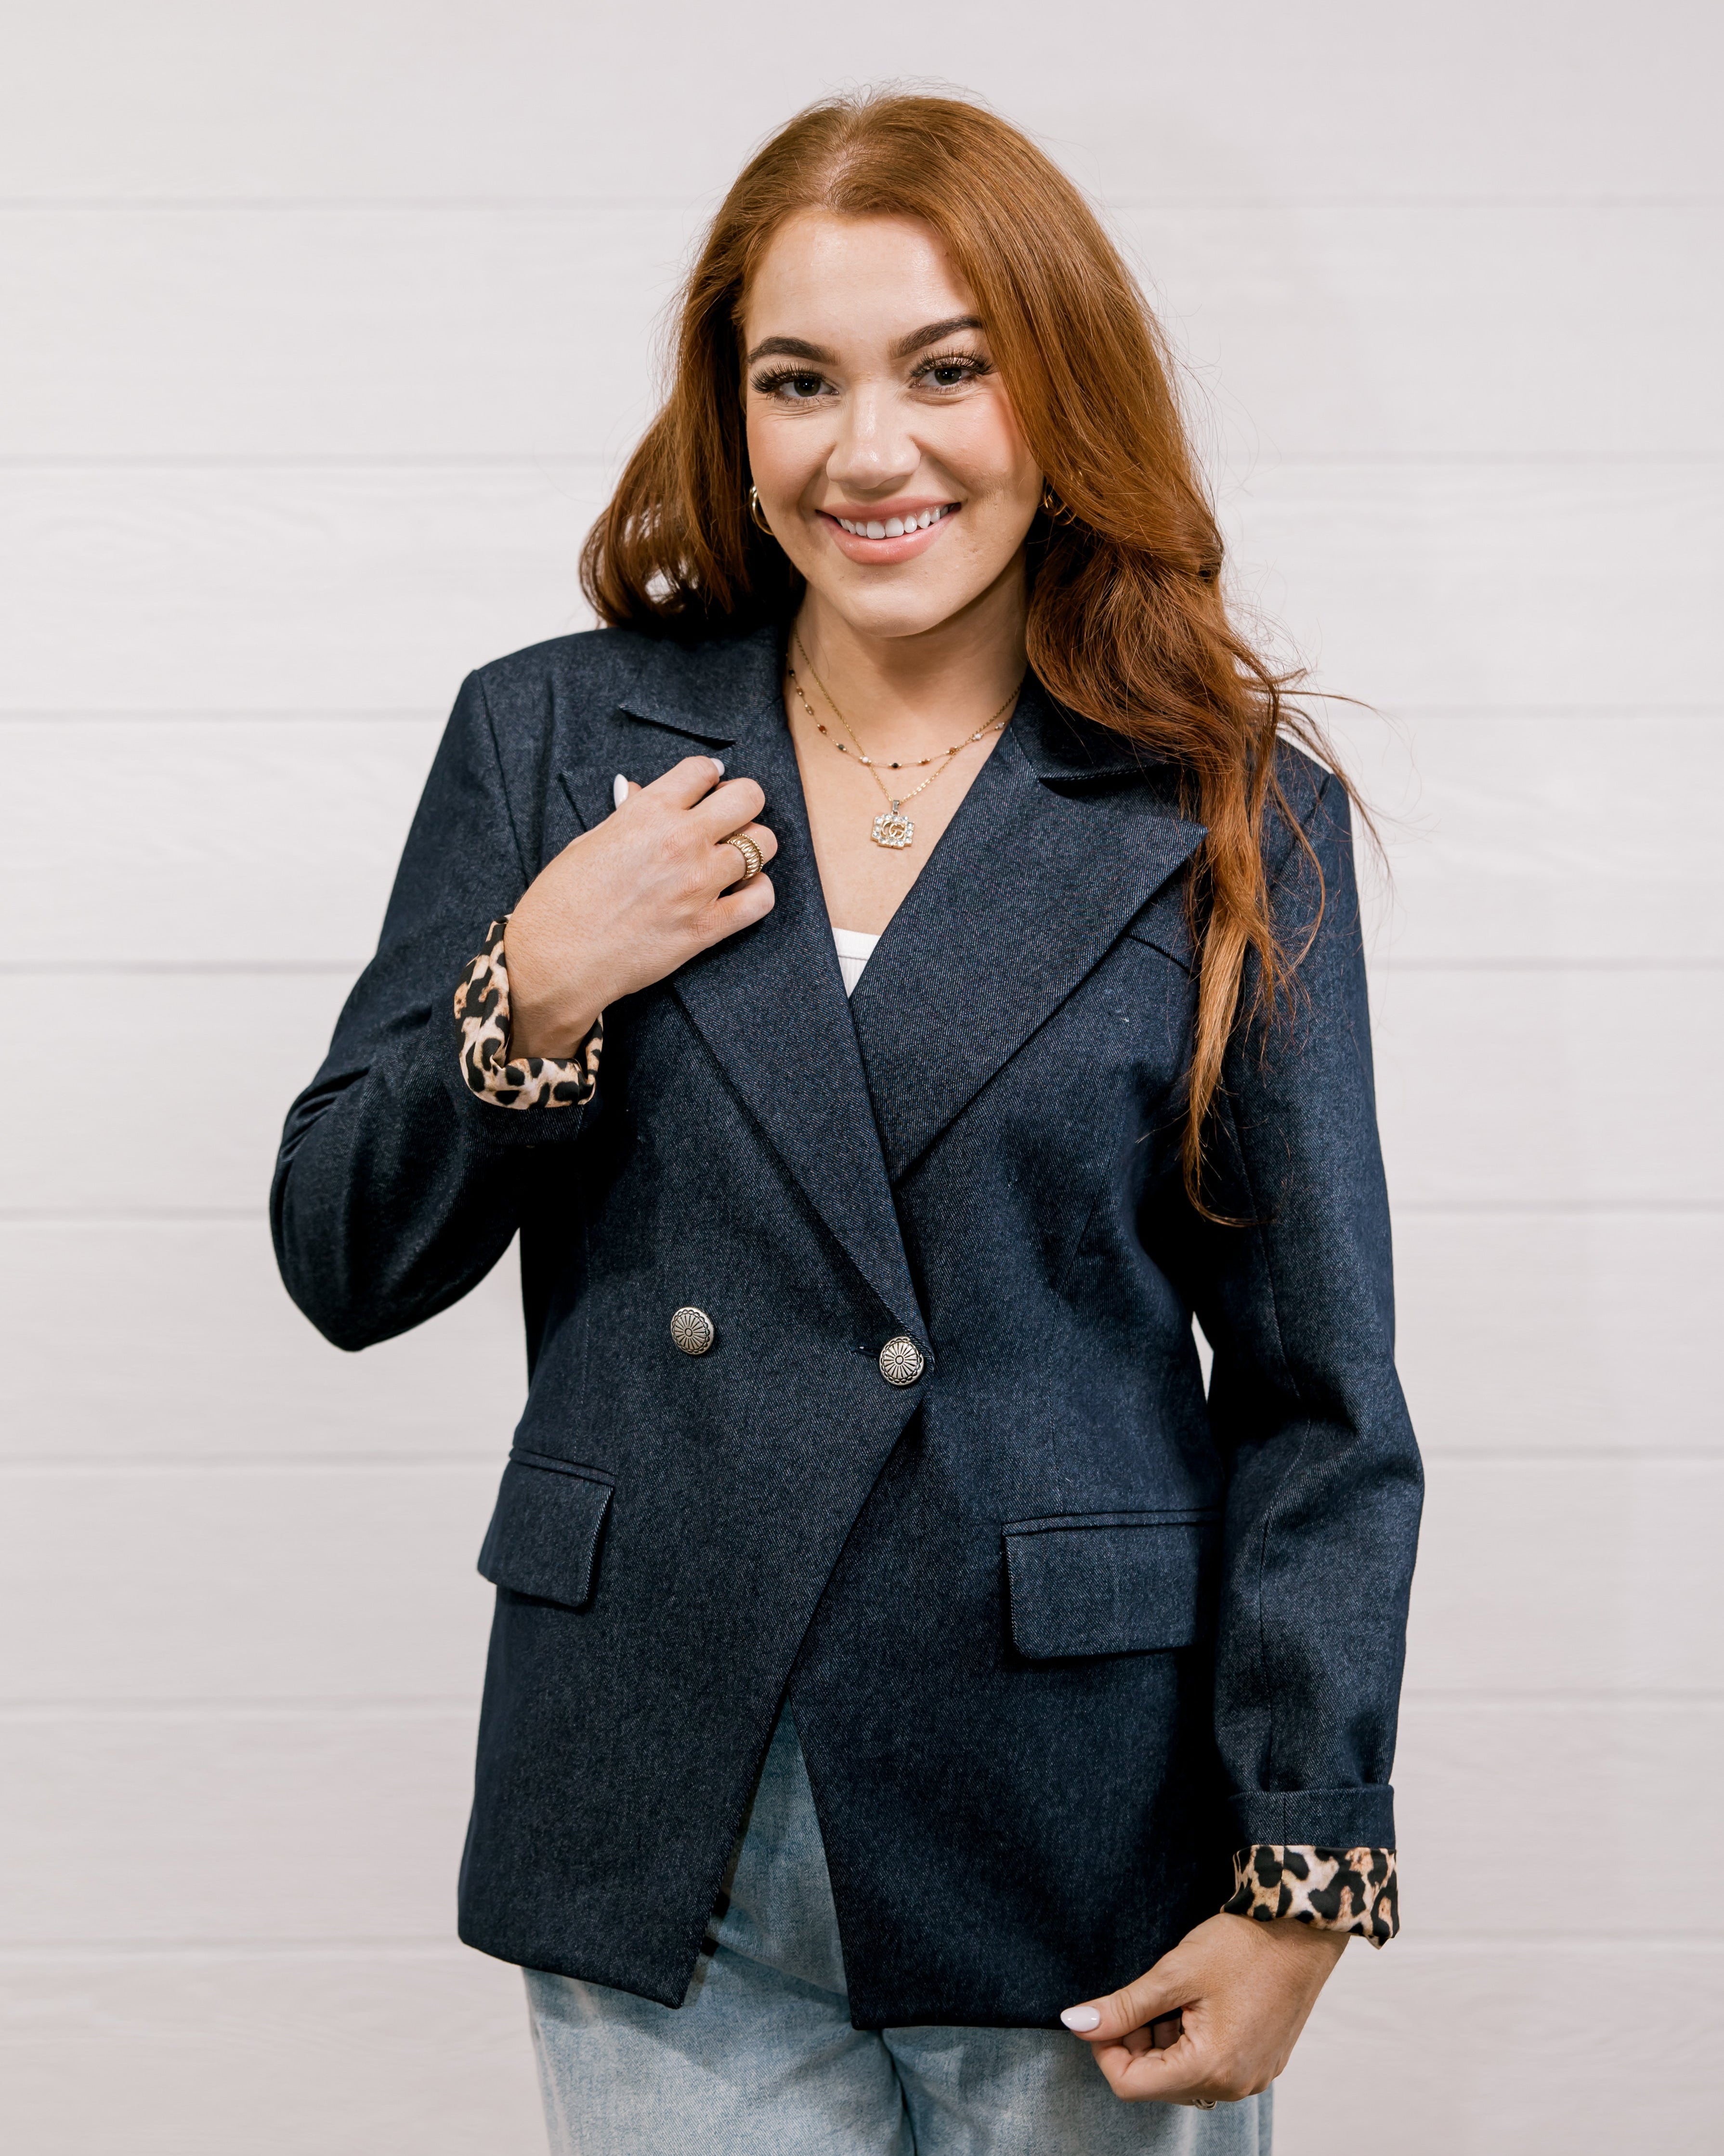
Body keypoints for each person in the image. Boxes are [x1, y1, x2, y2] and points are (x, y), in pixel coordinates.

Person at [273, 90, 1420, 2156]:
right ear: (731, 416)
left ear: (1057, 389)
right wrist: (529, 992)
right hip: (659, 1800)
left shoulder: (1223, 810)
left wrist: (1302, 1872)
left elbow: (1317, 1397)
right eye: (795, 381)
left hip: (1078, 1808)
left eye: (945, 370)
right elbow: (343, 1256)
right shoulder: (557, 742)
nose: (865, 451)